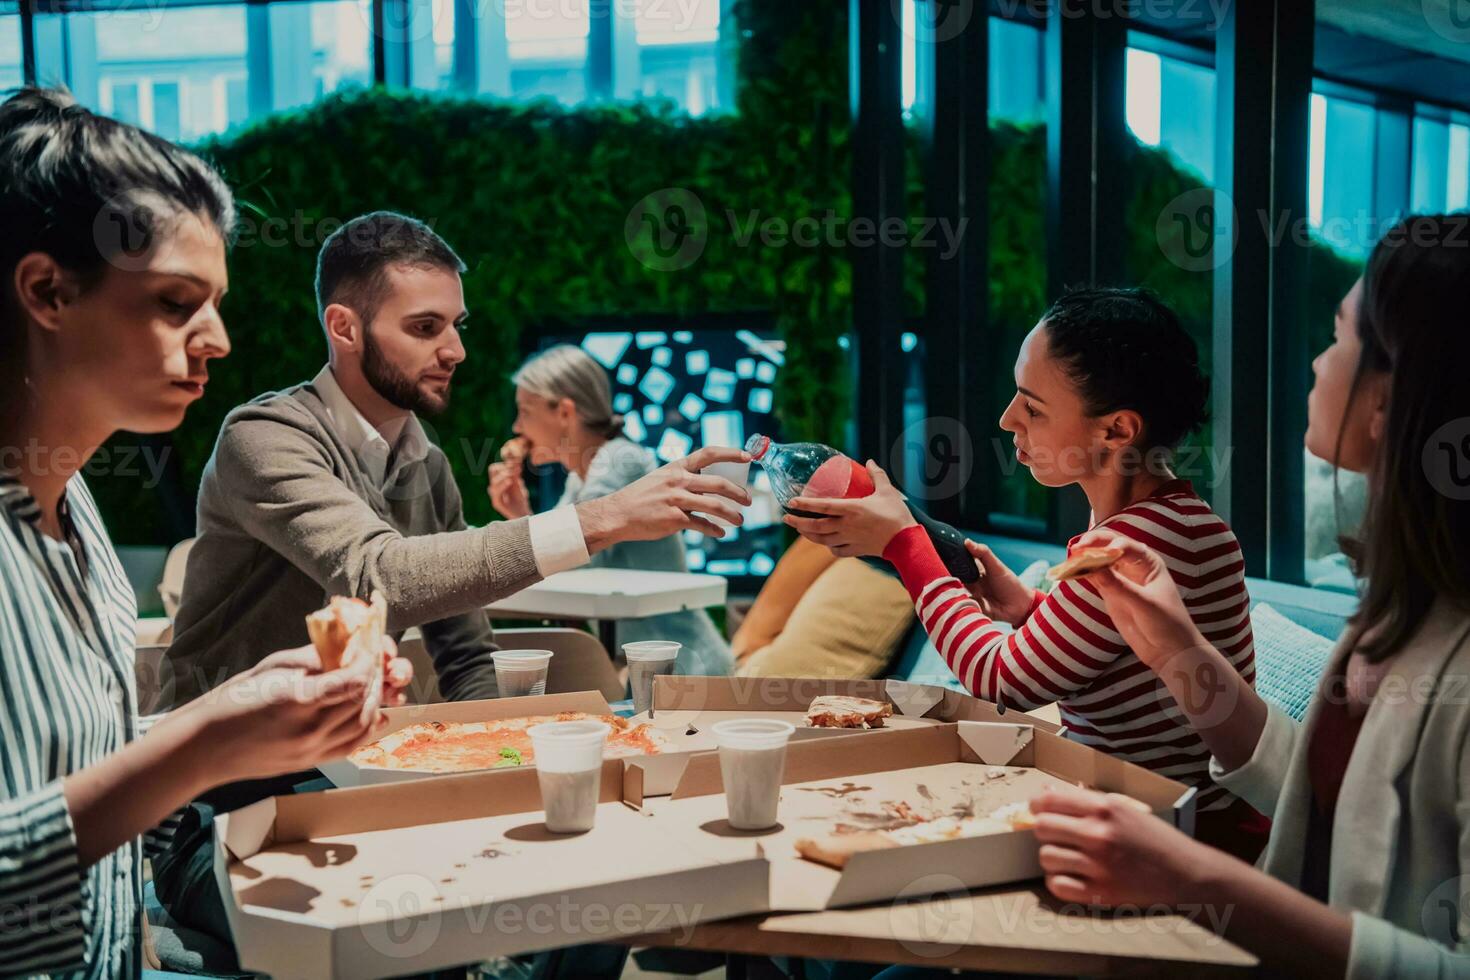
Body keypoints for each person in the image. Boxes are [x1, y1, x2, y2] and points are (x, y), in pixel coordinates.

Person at [0, 87, 413, 979]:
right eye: (176, 302)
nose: (217, 338)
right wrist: (207, 747)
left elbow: (78, 767)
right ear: (46, 292)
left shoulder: (77, 513)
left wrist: (237, 709)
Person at [1017, 216, 1470, 977]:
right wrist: (1178, 652)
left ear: (1390, 401)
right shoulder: (1400, 614)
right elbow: (1324, 801)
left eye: (1338, 340)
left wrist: (1191, 878)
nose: (1319, 366)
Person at [165, 214, 750, 705]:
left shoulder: (427, 464)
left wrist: (502, 764)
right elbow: (379, 575)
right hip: (222, 788)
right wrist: (607, 517)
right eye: (425, 327)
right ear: (344, 328)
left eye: (455, 325)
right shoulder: (264, 437)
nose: (456, 350)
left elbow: (468, 658)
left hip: (349, 763)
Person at [786, 288, 1262, 860]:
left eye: (1033, 409)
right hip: (1131, 820)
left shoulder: (1145, 538)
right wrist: (1026, 610)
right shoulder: (1160, 521)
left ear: (1116, 430)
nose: (1008, 419)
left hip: (1170, 846)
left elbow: (1000, 680)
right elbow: (1121, 660)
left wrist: (907, 549)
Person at [490, 344, 735, 674]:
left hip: (687, 671)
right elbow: (558, 553)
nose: (517, 427)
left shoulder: (619, 463)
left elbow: (574, 559)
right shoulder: (583, 478)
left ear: (564, 412)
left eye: (525, 411)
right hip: (659, 667)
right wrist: (521, 516)